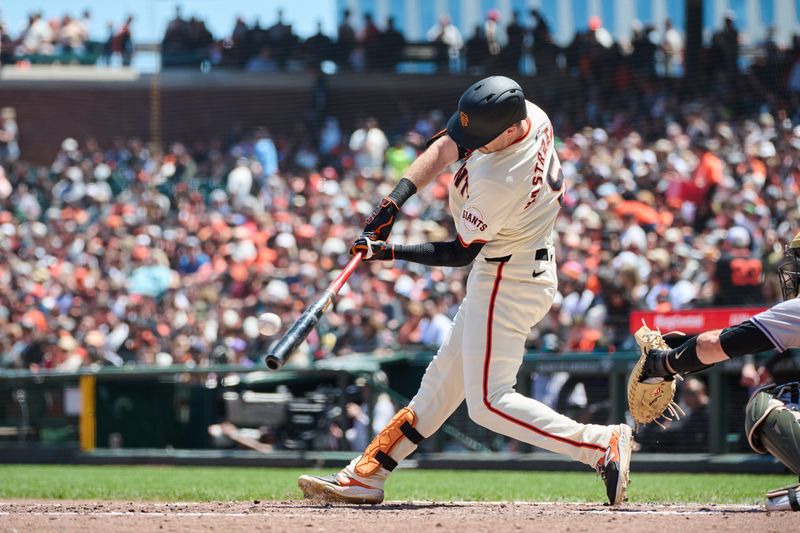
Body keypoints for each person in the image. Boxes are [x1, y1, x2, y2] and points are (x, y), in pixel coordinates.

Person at [298, 76, 633, 506]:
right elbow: (445, 146)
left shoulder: (503, 177)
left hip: (507, 279)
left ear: (510, 132)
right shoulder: (527, 114)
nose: (472, 142)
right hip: (511, 267)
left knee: (489, 404)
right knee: (438, 386)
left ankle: (599, 443)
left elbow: (459, 254)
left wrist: (390, 251)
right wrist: (392, 204)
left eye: (482, 138)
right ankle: (368, 474)